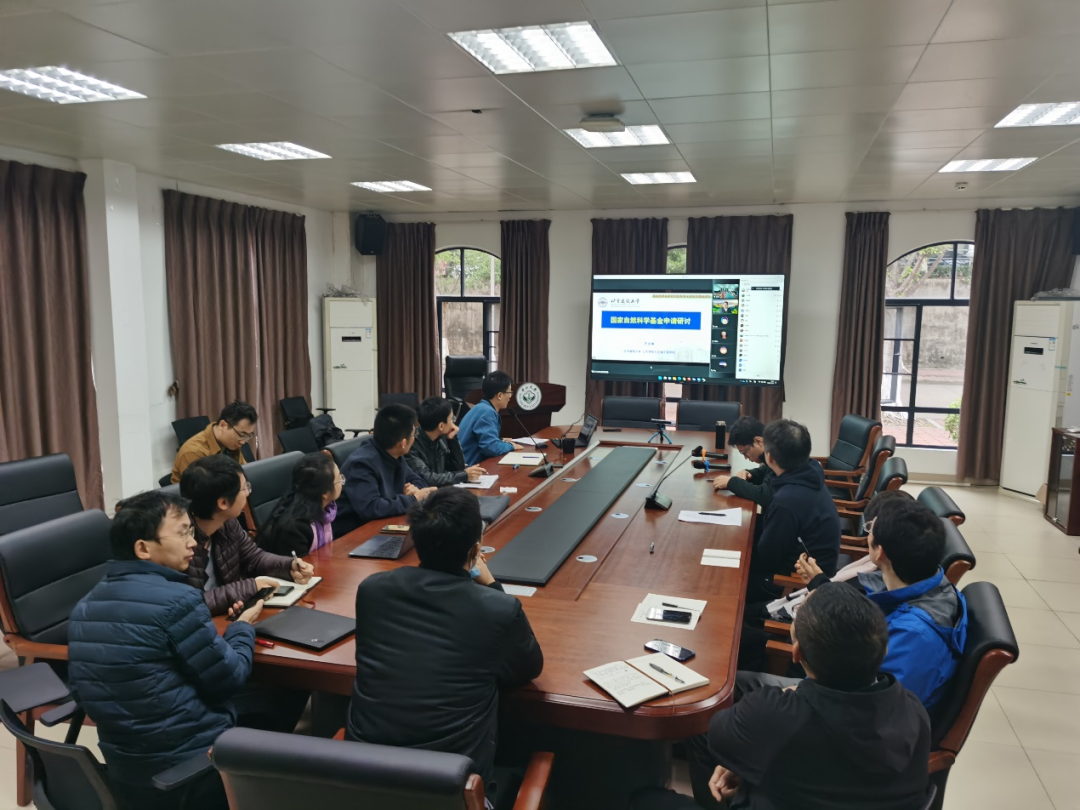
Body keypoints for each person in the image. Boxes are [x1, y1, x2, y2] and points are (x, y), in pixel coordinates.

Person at [633, 583, 931, 810]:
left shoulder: (773, 717)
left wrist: (746, 762)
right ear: (882, 651)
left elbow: (715, 731)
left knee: (643, 799)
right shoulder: (915, 711)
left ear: (796, 653)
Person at [68, 490, 265, 810]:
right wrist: (241, 629)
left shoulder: (84, 606)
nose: (193, 543)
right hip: (190, 772)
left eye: (191, 531)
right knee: (276, 698)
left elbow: (82, 691)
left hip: (124, 773)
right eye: (182, 533)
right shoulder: (178, 600)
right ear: (143, 548)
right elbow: (228, 679)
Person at [346, 487, 543, 806]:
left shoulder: (372, 590)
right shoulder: (497, 609)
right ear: (475, 550)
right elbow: (528, 668)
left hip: (363, 785)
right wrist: (492, 585)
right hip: (453, 792)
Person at [795, 494, 968, 708]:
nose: (868, 534)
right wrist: (821, 586)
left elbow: (866, 708)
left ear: (880, 552)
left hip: (843, 713)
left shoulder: (914, 637)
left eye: (870, 529)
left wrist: (804, 659)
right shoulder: (932, 582)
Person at [180, 455, 314, 616]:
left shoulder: (227, 523)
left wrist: (288, 567)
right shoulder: (178, 542)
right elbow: (186, 605)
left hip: (229, 614)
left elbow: (254, 558)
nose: (248, 494)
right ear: (223, 503)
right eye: (245, 488)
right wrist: (250, 587)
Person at [746, 419, 841, 603]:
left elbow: (768, 558)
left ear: (769, 458)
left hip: (798, 582)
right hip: (818, 566)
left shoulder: (786, 501)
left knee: (728, 581)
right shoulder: (810, 471)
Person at [335, 404, 437, 534]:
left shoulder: (394, 453)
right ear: (403, 443)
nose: (415, 438)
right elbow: (371, 508)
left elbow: (418, 480)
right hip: (354, 534)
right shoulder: (362, 463)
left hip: (383, 523)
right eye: (413, 434)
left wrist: (414, 491)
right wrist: (413, 498)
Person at [256, 451, 343, 558]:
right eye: (339, 479)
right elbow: (300, 565)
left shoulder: (325, 510)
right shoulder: (294, 529)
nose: (342, 481)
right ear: (324, 493)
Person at [171, 400, 257, 483]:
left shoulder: (231, 443)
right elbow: (201, 490)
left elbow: (244, 472)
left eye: (248, 436)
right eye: (241, 435)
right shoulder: (193, 452)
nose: (243, 442)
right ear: (223, 425)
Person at [407, 396, 486, 486]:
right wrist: (464, 475)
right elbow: (428, 479)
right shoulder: (411, 445)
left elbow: (457, 468)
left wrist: (452, 440)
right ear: (441, 426)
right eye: (452, 419)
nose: (453, 423)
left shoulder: (441, 437)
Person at [457, 370, 525, 466]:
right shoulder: (487, 412)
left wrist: (500, 441)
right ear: (500, 395)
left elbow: (483, 440)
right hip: (470, 468)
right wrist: (510, 446)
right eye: (509, 392)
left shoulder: (481, 408)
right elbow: (490, 448)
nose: (510, 396)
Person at [712, 416, 773, 509]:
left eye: (745, 452)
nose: (745, 458)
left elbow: (764, 495)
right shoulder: (773, 447)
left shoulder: (778, 455)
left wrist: (731, 483)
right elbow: (767, 470)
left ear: (758, 441)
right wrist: (751, 474)